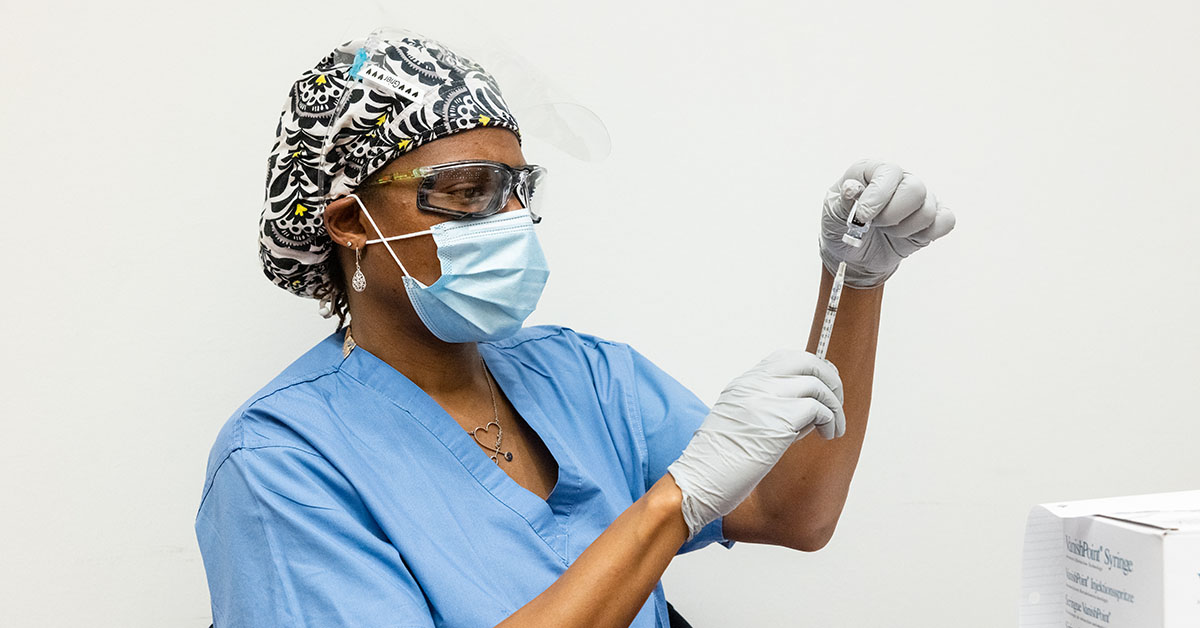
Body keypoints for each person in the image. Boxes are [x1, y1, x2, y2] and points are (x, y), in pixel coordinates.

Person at [193, 28, 955, 628]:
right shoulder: (279, 463)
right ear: (350, 221)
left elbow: (795, 512)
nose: (510, 219)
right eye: (467, 191)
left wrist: (855, 282)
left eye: (517, 190)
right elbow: (685, 501)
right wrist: (671, 501)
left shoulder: (582, 377)